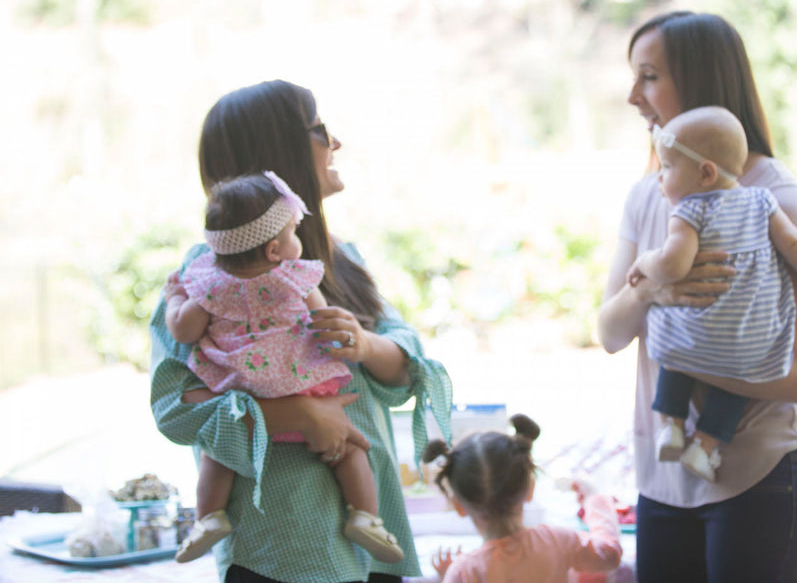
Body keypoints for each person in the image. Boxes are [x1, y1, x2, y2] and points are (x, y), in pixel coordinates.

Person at [149, 79, 453, 583]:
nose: (335, 143)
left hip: (374, 541)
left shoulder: (341, 258)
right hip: (285, 549)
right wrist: (299, 413)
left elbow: (408, 365)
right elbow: (175, 408)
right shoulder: (206, 278)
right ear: (278, 159)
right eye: (319, 129)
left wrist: (365, 342)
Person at [597, 11, 797, 582]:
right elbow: (608, 332)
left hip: (763, 479)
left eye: (649, 76)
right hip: (664, 486)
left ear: (702, 84)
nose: (633, 96)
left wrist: (686, 361)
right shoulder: (648, 195)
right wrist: (653, 288)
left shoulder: (780, 203)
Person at [164, 171, 403, 564]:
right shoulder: (297, 277)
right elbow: (326, 322)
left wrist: (175, 299)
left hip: (247, 402)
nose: (298, 241)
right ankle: (365, 516)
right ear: (275, 250)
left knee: (217, 454)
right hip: (304, 390)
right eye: (294, 232)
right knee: (350, 450)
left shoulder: (208, 286)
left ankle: (208, 517)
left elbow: (184, 330)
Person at [625, 107, 797, 483]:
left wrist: (645, 262)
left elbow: (673, 266)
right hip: (750, 341)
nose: (660, 177)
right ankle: (706, 447)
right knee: (742, 362)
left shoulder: (689, 211)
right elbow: (795, 244)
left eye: (668, 168)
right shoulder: (763, 202)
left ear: (704, 173)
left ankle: (670, 425)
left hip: (695, 339)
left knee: (672, 335)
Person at [422, 414, 623, 583]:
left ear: (458, 506)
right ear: (531, 489)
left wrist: (447, 576)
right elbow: (609, 556)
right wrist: (595, 499)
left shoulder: (465, 571)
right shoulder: (559, 541)